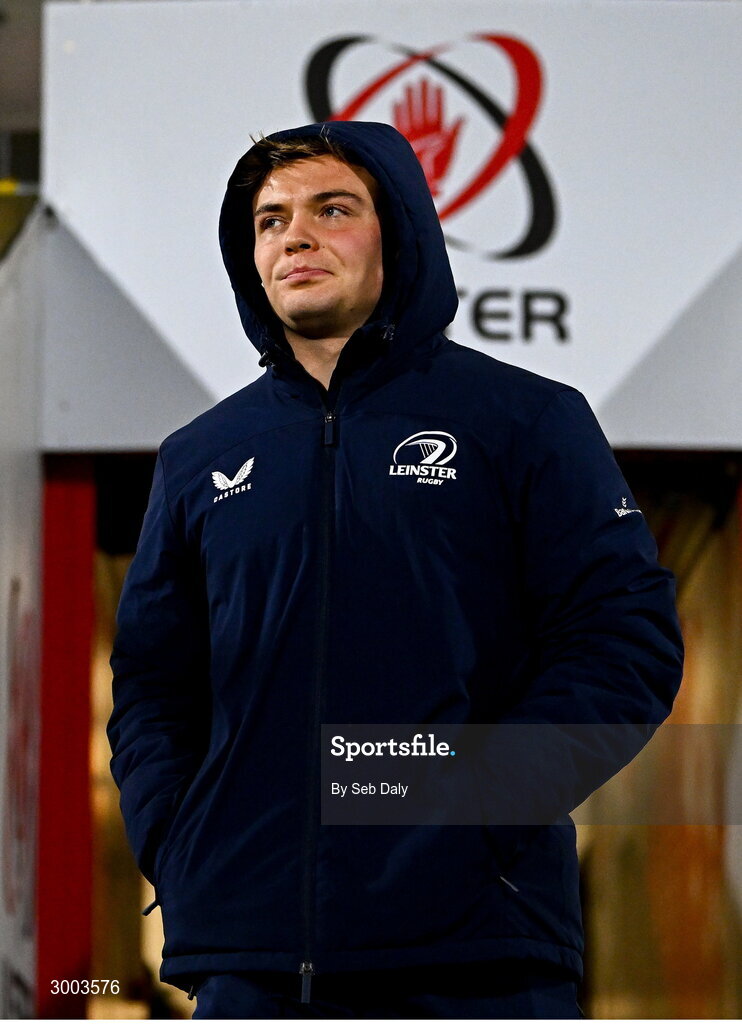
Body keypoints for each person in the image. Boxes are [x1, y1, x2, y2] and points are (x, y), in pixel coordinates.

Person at [107, 121, 684, 1018]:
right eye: (269, 220)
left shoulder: (525, 422)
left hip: (474, 955)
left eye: (332, 209)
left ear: (401, 235)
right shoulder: (199, 457)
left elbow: (625, 637)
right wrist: (179, 840)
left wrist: (477, 806)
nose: (294, 236)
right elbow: (153, 684)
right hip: (246, 963)